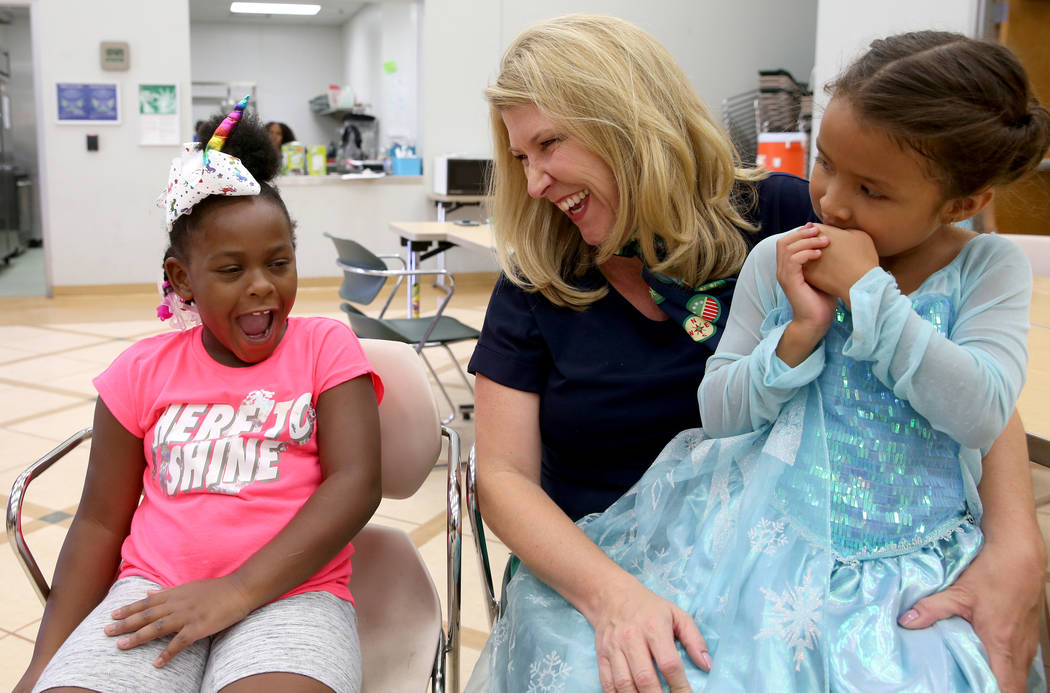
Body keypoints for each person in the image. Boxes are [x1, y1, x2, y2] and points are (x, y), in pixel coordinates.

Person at [466, 15, 1047, 693]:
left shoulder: (799, 217)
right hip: (611, 560)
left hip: (815, 555)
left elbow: (973, 384)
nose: (534, 182)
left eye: (549, 144)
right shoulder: (538, 276)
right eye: (520, 158)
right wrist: (613, 597)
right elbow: (502, 478)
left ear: (625, 122)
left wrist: (1016, 545)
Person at [15, 98, 382, 693]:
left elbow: (356, 484)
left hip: (293, 592)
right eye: (231, 270)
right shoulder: (139, 371)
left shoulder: (327, 348)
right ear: (182, 278)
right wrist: (43, 662)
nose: (262, 285)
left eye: (279, 262)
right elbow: (100, 524)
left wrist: (236, 591)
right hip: (153, 595)